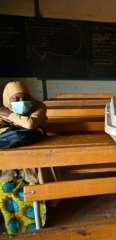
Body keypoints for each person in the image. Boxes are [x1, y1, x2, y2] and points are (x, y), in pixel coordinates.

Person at [0, 81, 47, 234]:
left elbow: (30, 124)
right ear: (8, 100)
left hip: (34, 159)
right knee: (7, 187)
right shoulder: (2, 112)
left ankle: (37, 224)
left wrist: (10, 116)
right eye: (16, 99)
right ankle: (13, 225)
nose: (22, 102)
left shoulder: (38, 106)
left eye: (25, 97)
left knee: (33, 186)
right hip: (9, 163)